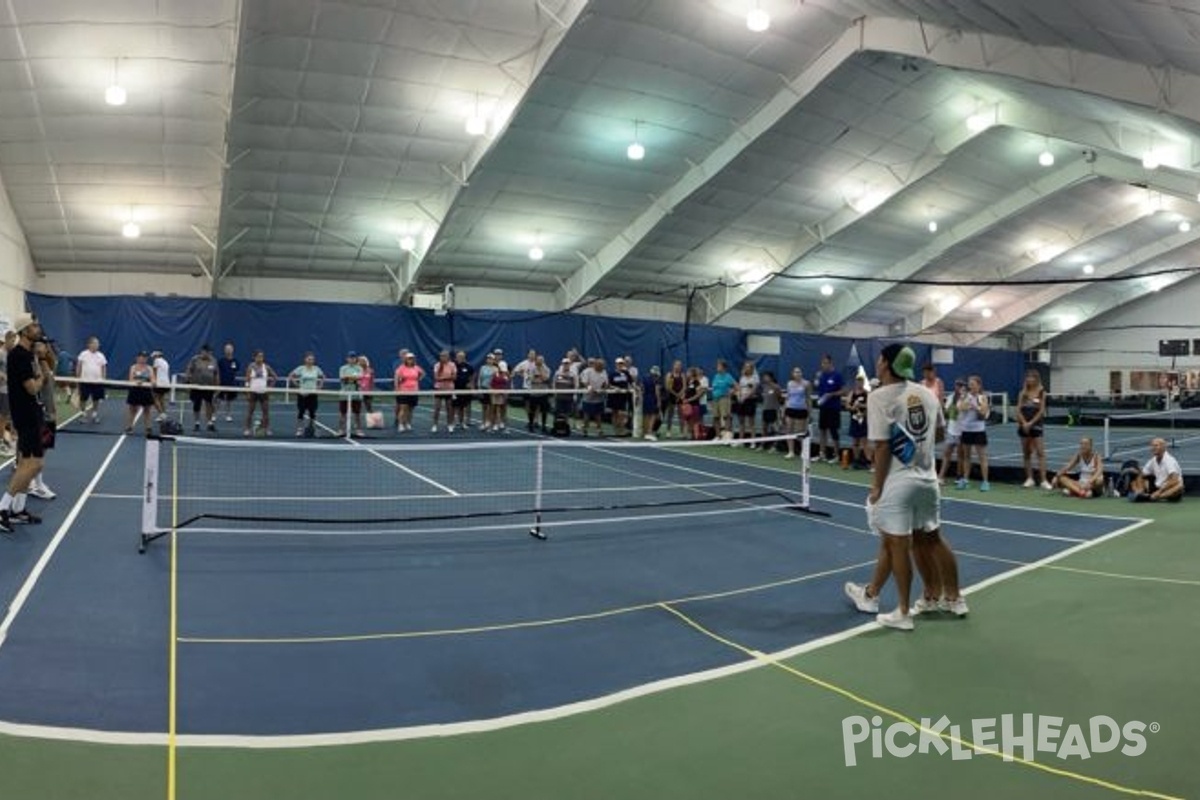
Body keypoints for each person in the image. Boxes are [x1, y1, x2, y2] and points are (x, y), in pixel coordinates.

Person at [843, 344, 968, 632]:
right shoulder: (927, 393)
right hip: (928, 479)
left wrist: (876, 487)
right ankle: (954, 598)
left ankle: (901, 611)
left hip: (898, 482)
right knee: (933, 539)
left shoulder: (879, 397)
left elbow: (883, 446)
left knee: (896, 544)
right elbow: (937, 432)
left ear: (885, 363)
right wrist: (916, 444)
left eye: (878, 359)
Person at [1, 314, 47, 532]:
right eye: (34, 326)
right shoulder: (19, 355)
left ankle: (17, 510)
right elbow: (32, 388)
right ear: (24, 330)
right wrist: (43, 378)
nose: (37, 329)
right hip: (25, 415)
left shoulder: (29, 354)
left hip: (33, 413)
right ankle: (3, 508)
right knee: (29, 465)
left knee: (35, 464)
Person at [28, 340, 57, 499]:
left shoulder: (48, 364)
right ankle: (34, 484)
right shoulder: (33, 365)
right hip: (38, 413)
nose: (41, 348)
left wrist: (54, 410)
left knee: (43, 449)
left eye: (43, 345)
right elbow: (35, 389)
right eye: (38, 345)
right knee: (36, 451)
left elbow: (50, 391)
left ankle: (36, 481)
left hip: (49, 412)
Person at [1016, 369, 1052, 490]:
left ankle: (1043, 480)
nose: (1029, 379)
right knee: (1027, 453)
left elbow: (1041, 411)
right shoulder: (1022, 393)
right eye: (1028, 377)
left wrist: (1031, 423)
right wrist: (1024, 423)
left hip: (1036, 425)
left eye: (1032, 377)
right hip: (1024, 426)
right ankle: (1029, 479)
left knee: (1040, 453)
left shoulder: (1042, 392)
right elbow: (1018, 410)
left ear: (1037, 379)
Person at [955, 375, 990, 491]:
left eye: (973, 385)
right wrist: (967, 403)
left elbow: (984, 412)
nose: (971, 387)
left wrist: (975, 406)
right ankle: (965, 480)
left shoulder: (983, 397)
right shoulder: (964, 396)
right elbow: (960, 408)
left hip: (979, 430)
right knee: (966, 456)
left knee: (982, 457)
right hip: (966, 430)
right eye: (970, 385)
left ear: (979, 386)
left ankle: (985, 481)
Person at [1128, 438, 1184, 502]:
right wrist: (1140, 489)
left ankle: (1151, 497)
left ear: (1163, 447)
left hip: (1169, 488)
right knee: (1135, 479)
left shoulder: (1169, 461)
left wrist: (1159, 492)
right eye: (1152, 446)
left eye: (1156, 445)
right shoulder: (1153, 460)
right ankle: (1143, 495)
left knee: (1179, 486)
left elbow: (1174, 480)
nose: (1153, 448)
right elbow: (1142, 474)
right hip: (1158, 487)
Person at [814, 354, 845, 463]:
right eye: (822, 363)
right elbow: (817, 388)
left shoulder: (837, 375)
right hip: (823, 407)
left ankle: (836, 455)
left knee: (833, 431)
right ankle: (822, 454)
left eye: (825, 363)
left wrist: (832, 394)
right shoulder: (821, 375)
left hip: (834, 408)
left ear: (831, 363)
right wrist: (816, 380)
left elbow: (843, 391)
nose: (823, 365)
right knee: (822, 430)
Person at [184, 344, 219, 432]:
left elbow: (216, 374)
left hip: (209, 386)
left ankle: (209, 423)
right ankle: (197, 423)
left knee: (209, 405)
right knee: (197, 405)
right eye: (206, 351)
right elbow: (189, 370)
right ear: (202, 351)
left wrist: (217, 386)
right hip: (196, 386)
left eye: (209, 351)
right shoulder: (195, 359)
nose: (208, 353)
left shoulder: (213, 360)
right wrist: (188, 382)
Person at [288, 352, 325, 436]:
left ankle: (311, 428)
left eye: (312, 359)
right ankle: (300, 429)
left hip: (313, 393)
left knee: (312, 412)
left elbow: (323, 376)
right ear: (305, 360)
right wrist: (296, 385)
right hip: (302, 394)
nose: (310, 361)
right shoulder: (300, 368)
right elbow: (291, 376)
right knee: (301, 411)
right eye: (309, 359)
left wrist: (320, 386)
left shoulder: (317, 368)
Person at [243, 350, 278, 436]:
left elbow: (275, 377)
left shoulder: (266, 367)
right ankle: (247, 429)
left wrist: (270, 388)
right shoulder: (251, 366)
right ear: (254, 357)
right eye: (258, 356)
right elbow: (247, 380)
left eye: (262, 356)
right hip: (253, 392)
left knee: (265, 412)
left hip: (263, 392)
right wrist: (247, 392)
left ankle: (267, 429)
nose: (260, 358)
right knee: (250, 411)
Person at [938, 379, 966, 484]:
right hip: (951, 431)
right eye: (957, 385)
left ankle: (959, 477)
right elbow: (947, 414)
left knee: (960, 456)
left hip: (962, 431)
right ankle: (941, 477)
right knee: (946, 454)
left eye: (961, 385)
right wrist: (948, 410)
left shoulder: (966, 399)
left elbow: (964, 412)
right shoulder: (950, 398)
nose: (959, 387)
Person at [75, 335, 108, 423]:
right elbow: (79, 366)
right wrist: (78, 379)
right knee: (83, 399)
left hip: (97, 382)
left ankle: (94, 415)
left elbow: (104, 367)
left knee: (96, 399)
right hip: (84, 381)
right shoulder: (83, 354)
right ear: (89, 344)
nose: (97, 345)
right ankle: (83, 415)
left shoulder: (101, 355)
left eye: (97, 343)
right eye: (95, 343)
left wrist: (103, 379)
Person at [123, 351, 156, 436]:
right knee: (132, 410)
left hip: (146, 391)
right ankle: (129, 427)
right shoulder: (133, 367)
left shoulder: (149, 368)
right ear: (137, 358)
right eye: (141, 357)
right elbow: (130, 379)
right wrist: (137, 382)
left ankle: (148, 428)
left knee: (147, 411)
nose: (143, 359)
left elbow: (153, 379)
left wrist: (153, 382)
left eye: (145, 357)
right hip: (135, 390)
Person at [783, 366, 811, 460]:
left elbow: (808, 399)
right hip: (790, 408)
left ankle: (803, 451)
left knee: (800, 432)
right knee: (789, 430)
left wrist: (809, 412)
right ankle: (791, 452)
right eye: (795, 372)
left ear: (801, 373)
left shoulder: (806, 384)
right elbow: (788, 397)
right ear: (792, 374)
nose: (797, 373)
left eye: (799, 372)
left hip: (801, 409)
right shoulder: (789, 384)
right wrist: (784, 410)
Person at [393, 351, 424, 432]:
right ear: (405, 360)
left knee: (410, 409)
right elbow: (396, 380)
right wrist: (397, 388)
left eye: (412, 359)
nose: (411, 360)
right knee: (403, 409)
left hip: (414, 391)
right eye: (409, 359)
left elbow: (422, 374)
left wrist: (418, 379)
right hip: (403, 391)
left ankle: (408, 423)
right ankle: (400, 424)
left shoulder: (416, 368)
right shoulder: (401, 368)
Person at [844, 374, 870, 469]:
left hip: (863, 419)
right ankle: (856, 460)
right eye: (858, 381)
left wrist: (861, 407)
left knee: (864, 441)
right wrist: (853, 407)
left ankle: (867, 461)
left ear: (863, 382)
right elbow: (847, 406)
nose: (859, 383)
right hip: (854, 419)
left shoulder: (867, 393)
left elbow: (870, 405)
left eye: (861, 381)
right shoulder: (852, 393)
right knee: (855, 441)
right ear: (856, 382)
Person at [337, 351, 364, 437]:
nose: (352, 359)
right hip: (344, 394)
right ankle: (341, 430)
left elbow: (360, 377)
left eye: (353, 358)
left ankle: (359, 430)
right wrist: (353, 378)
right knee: (343, 413)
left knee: (357, 414)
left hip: (356, 394)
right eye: (350, 358)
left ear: (356, 359)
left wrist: (349, 377)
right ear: (347, 359)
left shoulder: (359, 368)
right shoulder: (342, 368)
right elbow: (342, 378)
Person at [709, 359, 736, 439]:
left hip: (724, 399)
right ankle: (718, 436)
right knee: (716, 417)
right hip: (715, 399)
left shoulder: (728, 376)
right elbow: (714, 387)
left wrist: (731, 392)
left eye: (718, 366)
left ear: (723, 367)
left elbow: (736, 387)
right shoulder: (716, 376)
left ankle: (727, 435)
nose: (717, 367)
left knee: (726, 416)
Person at [430, 350, 456, 433]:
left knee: (449, 408)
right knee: (437, 408)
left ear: (448, 357)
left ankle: (450, 425)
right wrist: (447, 378)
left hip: (449, 388)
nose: (442, 357)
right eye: (441, 356)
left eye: (444, 356)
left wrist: (443, 378)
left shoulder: (452, 365)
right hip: (439, 388)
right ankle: (434, 425)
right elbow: (436, 378)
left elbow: (454, 377)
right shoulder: (437, 365)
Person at [734, 362, 759, 446]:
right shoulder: (742, 377)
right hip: (741, 401)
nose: (746, 368)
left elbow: (753, 390)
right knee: (741, 421)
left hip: (750, 401)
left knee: (751, 422)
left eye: (748, 367)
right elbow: (739, 388)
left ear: (751, 368)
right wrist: (739, 396)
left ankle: (753, 441)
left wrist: (745, 397)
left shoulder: (754, 378)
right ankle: (741, 441)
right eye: (745, 367)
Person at [451, 350, 475, 431]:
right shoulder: (452, 366)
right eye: (459, 356)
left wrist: (471, 384)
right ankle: (452, 423)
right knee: (453, 407)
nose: (460, 358)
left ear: (464, 357)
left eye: (462, 356)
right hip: (454, 389)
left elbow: (472, 376)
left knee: (462, 407)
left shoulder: (468, 366)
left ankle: (462, 423)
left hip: (464, 390)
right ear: (456, 357)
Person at [608, 357, 633, 436]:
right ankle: (616, 430)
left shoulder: (626, 373)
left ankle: (621, 429)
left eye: (621, 363)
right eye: (619, 364)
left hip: (623, 397)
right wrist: (615, 388)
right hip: (614, 396)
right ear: (616, 364)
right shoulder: (612, 374)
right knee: (615, 413)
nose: (620, 365)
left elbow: (631, 382)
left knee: (622, 413)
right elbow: (608, 384)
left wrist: (634, 387)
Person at [662, 360, 686, 438]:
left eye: (679, 365)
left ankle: (682, 432)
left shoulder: (682, 375)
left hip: (680, 397)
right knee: (670, 414)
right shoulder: (669, 375)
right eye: (677, 365)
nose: (678, 367)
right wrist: (676, 394)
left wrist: (680, 395)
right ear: (673, 366)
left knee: (681, 415)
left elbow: (684, 387)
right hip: (671, 396)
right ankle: (668, 431)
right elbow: (667, 387)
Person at [216, 342, 240, 422]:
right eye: (227, 349)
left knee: (229, 401)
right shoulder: (221, 361)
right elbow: (218, 372)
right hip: (221, 383)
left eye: (230, 349)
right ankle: (214, 415)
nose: (228, 351)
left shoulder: (235, 361)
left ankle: (228, 415)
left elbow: (236, 371)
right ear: (224, 350)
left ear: (233, 350)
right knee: (218, 400)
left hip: (231, 383)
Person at [640, 365, 662, 440]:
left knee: (645, 415)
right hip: (652, 398)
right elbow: (657, 391)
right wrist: (659, 401)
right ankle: (649, 432)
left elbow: (641, 388)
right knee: (652, 415)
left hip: (645, 397)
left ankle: (644, 432)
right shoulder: (655, 379)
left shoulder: (644, 378)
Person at [151, 349, 171, 421]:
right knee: (161, 399)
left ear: (157, 355)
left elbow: (154, 372)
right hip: (166, 383)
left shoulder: (156, 361)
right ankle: (163, 414)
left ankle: (161, 414)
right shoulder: (165, 362)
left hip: (159, 383)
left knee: (154, 398)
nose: (153, 358)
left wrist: (153, 381)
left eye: (154, 356)